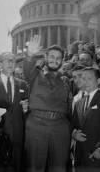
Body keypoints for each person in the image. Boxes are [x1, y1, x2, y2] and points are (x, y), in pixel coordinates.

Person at [23, 35, 72, 172]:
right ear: (46, 57)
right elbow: (27, 69)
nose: (54, 60)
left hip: (60, 127)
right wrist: (29, 55)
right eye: (52, 57)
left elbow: (70, 108)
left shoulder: (66, 81)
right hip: (37, 125)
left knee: (59, 167)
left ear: (62, 61)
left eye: (58, 58)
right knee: (35, 166)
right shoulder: (35, 75)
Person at [0, 52, 29, 172]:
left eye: (13, 60)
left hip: (18, 134)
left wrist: (26, 109)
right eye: (7, 60)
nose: (11, 63)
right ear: (0, 63)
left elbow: (26, 110)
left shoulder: (22, 84)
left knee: (17, 165)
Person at [72, 67, 100, 172]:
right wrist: (74, 133)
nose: (85, 81)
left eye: (89, 78)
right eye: (83, 78)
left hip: (97, 154)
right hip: (80, 156)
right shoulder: (79, 102)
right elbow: (73, 124)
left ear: (98, 81)